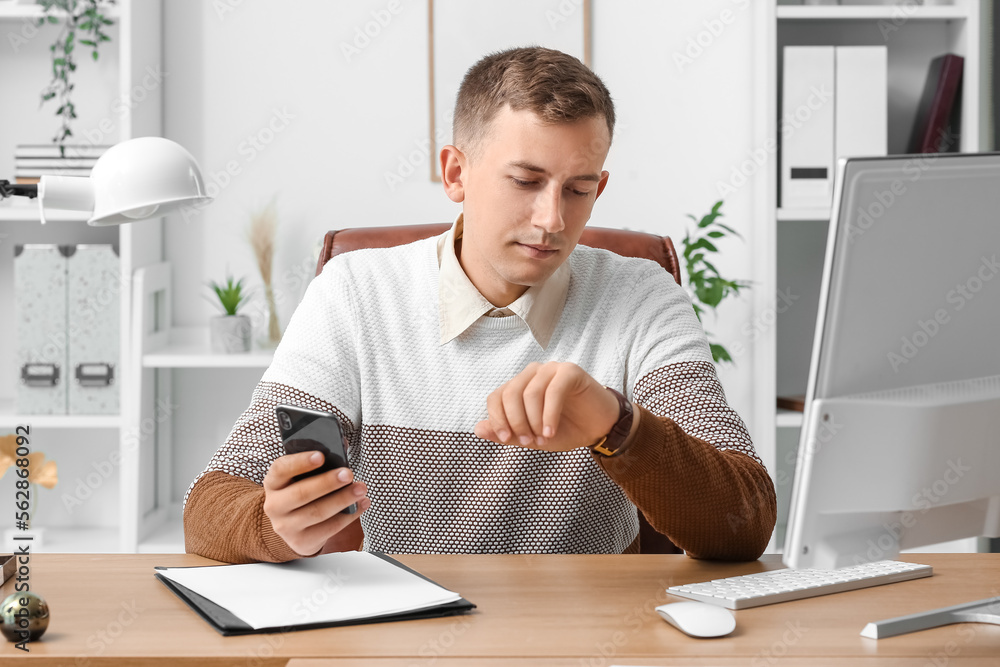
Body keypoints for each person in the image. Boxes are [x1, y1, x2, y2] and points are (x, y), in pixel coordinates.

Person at [183, 46, 776, 563]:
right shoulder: (355, 293)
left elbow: (743, 522)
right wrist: (272, 523)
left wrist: (614, 424)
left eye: (579, 189)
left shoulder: (643, 297)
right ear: (455, 173)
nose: (553, 221)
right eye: (525, 181)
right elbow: (207, 508)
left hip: (587, 636)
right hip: (407, 627)